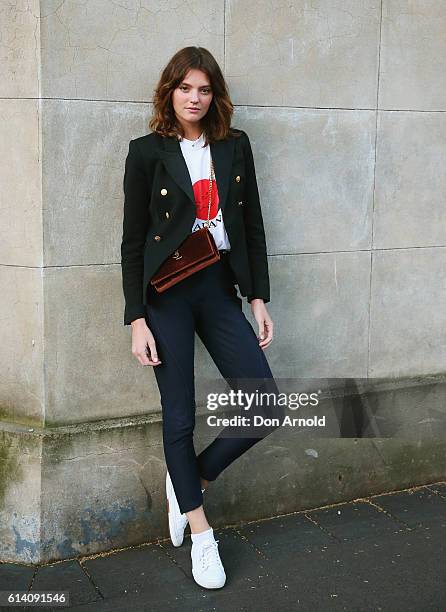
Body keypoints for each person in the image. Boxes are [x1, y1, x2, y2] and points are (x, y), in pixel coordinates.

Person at [120, 46, 278, 590]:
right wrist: (136, 319)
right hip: (167, 295)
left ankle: (190, 479)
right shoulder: (146, 152)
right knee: (180, 417)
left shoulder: (235, 147)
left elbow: (251, 222)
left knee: (265, 404)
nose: (194, 97)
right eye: (185, 88)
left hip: (217, 289)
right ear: (170, 92)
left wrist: (257, 298)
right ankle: (202, 537)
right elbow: (133, 242)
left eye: (204, 89)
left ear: (215, 95)